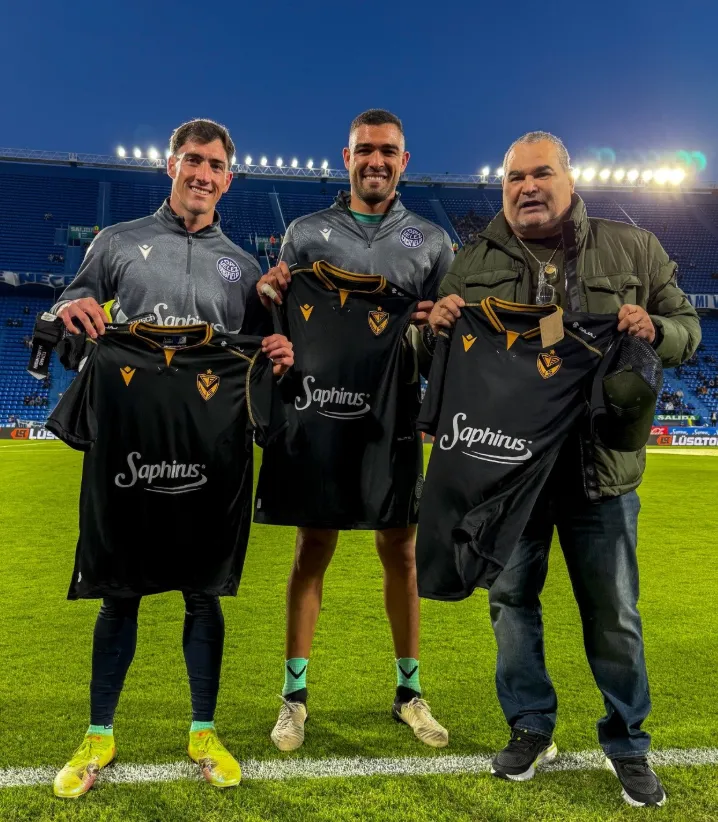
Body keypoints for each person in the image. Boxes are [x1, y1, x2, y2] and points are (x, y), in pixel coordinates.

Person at [426, 131, 700, 808]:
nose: (527, 187)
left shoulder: (631, 248)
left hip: (600, 471)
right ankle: (530, 727)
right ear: (502, 189)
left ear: (568, 178)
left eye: (540, 173)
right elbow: (432, 350)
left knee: (614, 614)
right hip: (510, 475)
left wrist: (653, 331)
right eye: (514, 177)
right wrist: (434, 323)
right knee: (510, 604)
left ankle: (627, 744)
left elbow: (688, 326)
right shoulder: (472, 260)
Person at [51, 118, 293, 798]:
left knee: (202, 593)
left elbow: (258, 358)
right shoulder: (118, 242)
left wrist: (275, 353)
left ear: (228, 178)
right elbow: (70, 299)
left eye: (215, 165)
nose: (203, 174)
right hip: (129, 442)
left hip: (209, 453)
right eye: (193, 160)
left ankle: (203, 729)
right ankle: (100, 731)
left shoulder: (243, 269)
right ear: (171, 165)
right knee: (118, 594)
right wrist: (73, 307)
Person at [257, 108, 454, 752]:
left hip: (390, 418)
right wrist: (268, 293)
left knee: (400, 552)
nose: (376, 160)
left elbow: (441, 346)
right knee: (313, 548)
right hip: (319, 414)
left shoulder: (432, 242)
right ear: (346, 158)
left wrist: (432, 326)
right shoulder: (306, 234)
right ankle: (294, 697)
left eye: (388, 151)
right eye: (364, 150)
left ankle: (409, 691)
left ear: (404, 161)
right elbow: (275, 324)